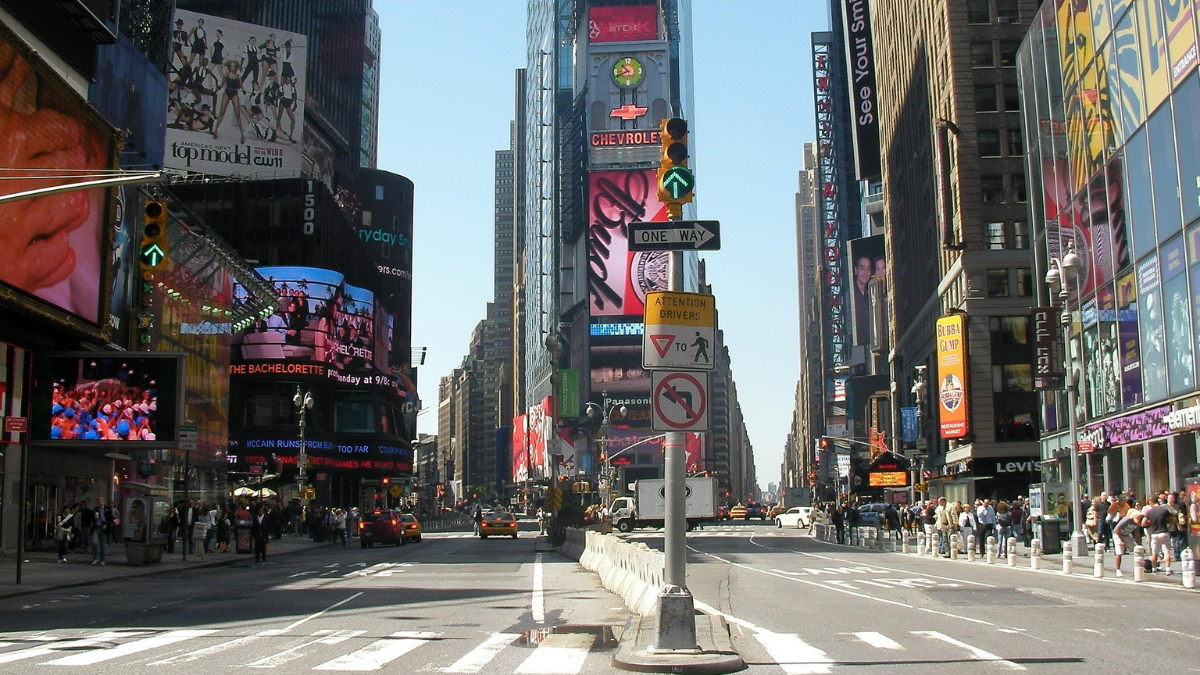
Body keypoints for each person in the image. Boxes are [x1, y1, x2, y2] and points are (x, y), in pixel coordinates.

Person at [92, 497, 114, 565]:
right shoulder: (95, 509)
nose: (100, 501)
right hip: (96, 527)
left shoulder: (107, 509)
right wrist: (94, 518)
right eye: (98, 500)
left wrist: (106, 524)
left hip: (103, 528)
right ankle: (95, 558)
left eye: (101, 500)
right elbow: (92, 519)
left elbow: (110, 519)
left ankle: (102, 559)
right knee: (94, 542)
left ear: (103, 501)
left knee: (103, 545)